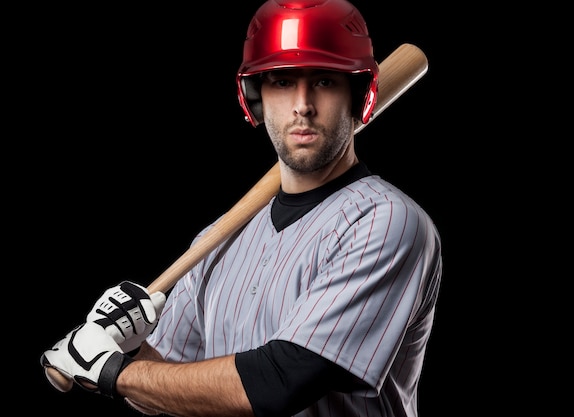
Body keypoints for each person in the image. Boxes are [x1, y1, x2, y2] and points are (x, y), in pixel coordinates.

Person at [40, 0, 443, 416]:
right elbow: (173, 388)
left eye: (324, 81)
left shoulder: (386, 221)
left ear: (360, 94)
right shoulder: (217, 240)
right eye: (282, 83)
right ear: (254, 97)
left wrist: (112, 372)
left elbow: (283, 381)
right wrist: (127, 345)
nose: (302, 105)